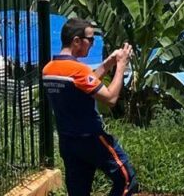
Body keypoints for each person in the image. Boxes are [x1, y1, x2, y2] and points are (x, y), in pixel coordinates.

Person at [42, 18, 138, 196]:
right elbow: (110, 98)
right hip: (92, 140)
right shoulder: (78, 70)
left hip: (68, 142)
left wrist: (109, 61)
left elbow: (86, 83)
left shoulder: (49, 70)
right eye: (91, 40)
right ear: (76, 41)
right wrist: (121, 66)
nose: (92, 45)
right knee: (127, 180)